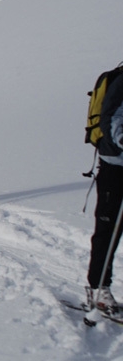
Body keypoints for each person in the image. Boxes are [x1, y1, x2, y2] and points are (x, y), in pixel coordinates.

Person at [86, 70, 123, 315]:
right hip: (115, 167)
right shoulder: (121, 83)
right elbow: (112, 118)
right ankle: (98, 287)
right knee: (108, 230)